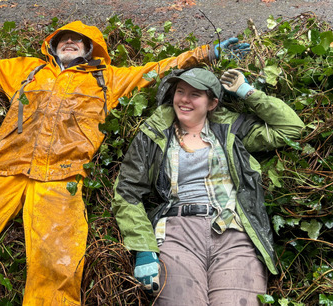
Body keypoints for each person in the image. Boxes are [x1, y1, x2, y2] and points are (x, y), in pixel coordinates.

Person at [0, 20, 249, 305]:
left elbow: (158, 70)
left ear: (91, 49)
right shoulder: (27, 71)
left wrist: (207, 52)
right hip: (3, 169)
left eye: (79, 40)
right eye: (63, 39)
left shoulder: (109, 79)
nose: (70, 42)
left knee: (56, 265)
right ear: (53, 46)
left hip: (62, 178)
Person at [111, 67, 305, 305]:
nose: (184, 99)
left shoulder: (230, 130)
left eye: (195, 94)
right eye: (180, 91)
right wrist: (143, 247)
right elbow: (127, 191)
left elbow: (291, 129)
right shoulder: (154, 134)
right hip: (177, 233)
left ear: (212, 103)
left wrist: (246, 91)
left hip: (234, 233)